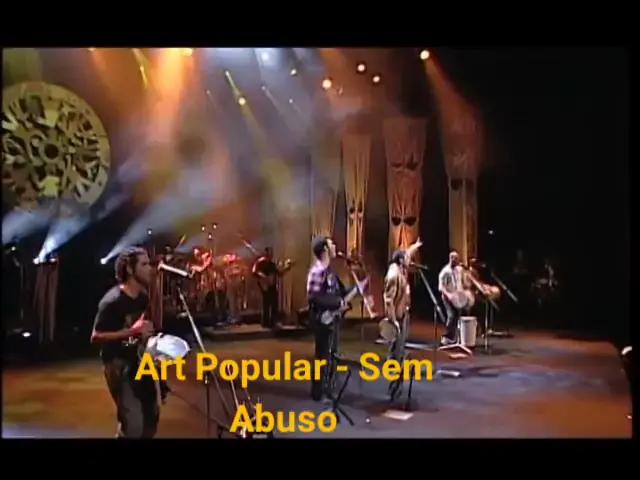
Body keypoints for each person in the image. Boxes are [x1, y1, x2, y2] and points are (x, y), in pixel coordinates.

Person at [90, 246, 163, 438]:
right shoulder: (112, 301)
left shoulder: (142, 297)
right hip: (118, 363)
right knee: (133, 423)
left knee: (152, 414)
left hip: (138, 360)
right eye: (144, 264)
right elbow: (96, 336)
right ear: (130, 269)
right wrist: (132, 331)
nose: (149, 268)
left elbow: (146, 328)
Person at [306, 236, 345, 402]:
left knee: (331, 355)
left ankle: (328, 389)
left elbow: (339, 292)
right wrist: (336, 302)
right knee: (322, 356)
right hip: (322, 319)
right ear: (325, 250)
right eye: (331, 244)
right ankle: (319, 392)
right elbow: (314, 297)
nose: (335, 246)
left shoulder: (330, 272)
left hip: (332, 319)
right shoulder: (318, 271)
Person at [383, 239, 422, 363]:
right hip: (397, 315)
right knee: (395, 344)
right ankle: (392, 367)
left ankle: (397, 365)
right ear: (400, 261)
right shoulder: (394, 275)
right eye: (406, 259)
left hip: (403, 311)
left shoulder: (401, 268)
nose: (409, 261)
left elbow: (407, 254)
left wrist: (414, 246)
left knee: (400, 344)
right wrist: (393, 320)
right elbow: (388, 300)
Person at [438, 250, 467, 345]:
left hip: (457, 297)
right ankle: (446, 336)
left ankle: (456, 337)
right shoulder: (445, 272)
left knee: (459, 316)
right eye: (456, 259)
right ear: (451, 259)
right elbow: (441, 287)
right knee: (451, 316)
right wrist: (448, 295)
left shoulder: (459, 270)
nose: (458, 261)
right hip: (448, 297)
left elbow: (460, 282)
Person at [252, 247, 279, 329]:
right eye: (269, 253)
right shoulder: (261, 263)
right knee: (266, 303)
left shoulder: (272, 264)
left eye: (271, 253)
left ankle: (272, 322)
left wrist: (287, 268)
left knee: (274, 303)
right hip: (264, 286)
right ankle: (265, 322)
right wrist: (263, 276)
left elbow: (278, 273)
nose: (271, 255)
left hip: (272, 285)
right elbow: (254, 272)